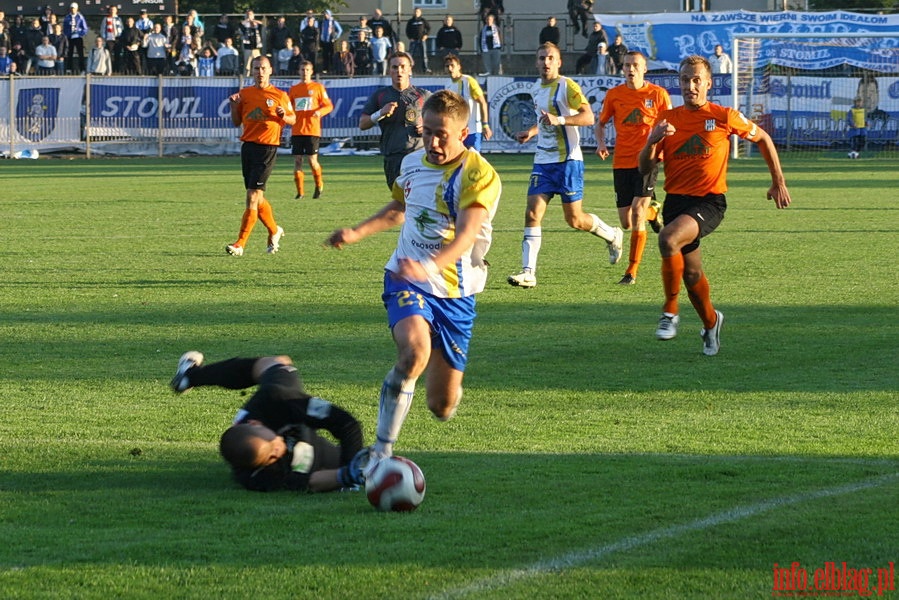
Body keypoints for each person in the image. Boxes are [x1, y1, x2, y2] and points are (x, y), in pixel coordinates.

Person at [326, 89, 502, 469]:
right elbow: (399, 209)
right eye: (428, 132)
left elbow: (467, 236)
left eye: (443, 134)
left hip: (456, 292)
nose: (434, 142)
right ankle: (381, 453)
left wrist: (430, 267)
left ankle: (439, 389)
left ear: (464, 133)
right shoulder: (410, 163)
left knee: (441, 406)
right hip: (406, 277)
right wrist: (356, 232)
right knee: (413, 354)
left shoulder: (478, 174)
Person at [638, 55, 791, 356]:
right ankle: (711, 322)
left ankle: (669, 312)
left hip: (709, 202)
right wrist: (652, 141)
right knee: (692, 275)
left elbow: (763, 139)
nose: (690, 85)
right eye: (685, 79)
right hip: (676, 202)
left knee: (668, 238)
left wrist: (779, 181)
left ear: (708, 83)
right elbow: (644, 167)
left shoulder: (724, 116)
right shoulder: (666, 120)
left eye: (696, 80)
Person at [508, 43, 623, 289]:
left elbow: (588, 117)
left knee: (574, 219)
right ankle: (529, 272)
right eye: (541, 58)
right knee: (532, 213)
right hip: (543, 161)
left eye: (550, 58)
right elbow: (545, 120)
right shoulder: (536, 88)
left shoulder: (566, 86)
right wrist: (532, 131)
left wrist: (559, 119)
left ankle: (613, 235)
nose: (545, 62)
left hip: (569, 160)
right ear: (536, 62)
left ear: (558, 62)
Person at [169, 351, 368, 494]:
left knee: (276, 363)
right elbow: (309, 483)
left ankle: (190, 376)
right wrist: (348, 476)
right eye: (272, 457)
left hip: (281, 406)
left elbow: (346, 424)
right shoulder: (255, 477)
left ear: (257, 424)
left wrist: (352, 461)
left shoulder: (277, 401)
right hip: (322, 460)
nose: (278, 450)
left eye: (273, 443)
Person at [596, 51, 672, 285]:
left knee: (637, 214)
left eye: (635, 65)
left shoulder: (657, 94)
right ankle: (653, 211)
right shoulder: (614, 95)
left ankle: (631, 271)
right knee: (626, 222)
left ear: (644, 69)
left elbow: (669, 124)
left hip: (647, 159)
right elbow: (600, 123)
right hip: (621, 162)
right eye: (627, 65)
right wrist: (600, 143)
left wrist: (666, 152)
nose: (631, 69)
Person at [226, 56, 296, 257]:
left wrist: (284, 115)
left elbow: (293, 119)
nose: (260, 72)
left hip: (267, 148)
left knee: (252, 195)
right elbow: (236, 121)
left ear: (270, 70)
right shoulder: (245, 94)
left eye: (263, 68)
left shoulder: (280, 95)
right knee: (258, 196)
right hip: (248, 147)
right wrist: (233, 107)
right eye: (256, 68)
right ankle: (274, 230)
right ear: (252, 71)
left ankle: (240, 243)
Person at [360, 51, 431, 189]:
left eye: (403, 66)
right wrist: (380, 113)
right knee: (399, 203)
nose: (399, 71)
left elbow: (443, 120)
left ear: (410, 70)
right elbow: (363, 124)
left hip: (419, 156)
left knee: (418, 201)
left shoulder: (424, 96)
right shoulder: (380, 96)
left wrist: (428, 128)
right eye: (394, 67)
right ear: (389, 71)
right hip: (393, 157)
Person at [288, 61, 334, 200]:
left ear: (311, 71)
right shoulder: (294, 89)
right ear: (299, 71)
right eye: (302, 69)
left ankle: (318, 185)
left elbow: (328, 105)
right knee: (297, 161)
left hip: (312, 129)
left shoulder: (318, 87)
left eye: (307, 70)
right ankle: (300, 192)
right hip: (297, 130)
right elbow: (289, 108)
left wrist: (320, 112)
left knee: (312, 161)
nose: (305, 72)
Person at [444, 54, 492, 151]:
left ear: (459, 67)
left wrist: (485, 125)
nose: (450, 68)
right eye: (447, 66)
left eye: (452, 65)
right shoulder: (448, 85)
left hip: (472, 130)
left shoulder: (468, 81)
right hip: (457, 131)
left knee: (473, 159)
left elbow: (482, 102)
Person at [406, 8, 431, 74]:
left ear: (420, 13)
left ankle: (425, 69)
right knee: (410, 55)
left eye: (418, 12)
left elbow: (428, 28)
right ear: (413, 13)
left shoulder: (423, 20)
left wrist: (426, 35)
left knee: (424, 55)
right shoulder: (411, 21)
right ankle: (408, 68)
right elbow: (407, 30)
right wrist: (410, 38)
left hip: (422, 40)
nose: (416, 13)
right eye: (415, 12)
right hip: (413, 40)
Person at [99, 6, 123, 73]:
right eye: (111, 10)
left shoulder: (119, 19)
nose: (112, 11)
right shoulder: (106, 19)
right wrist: (104, 38)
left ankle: (117, 70)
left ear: (116, 11)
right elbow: (102, 29)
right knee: (109, 55)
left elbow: (122, 28)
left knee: (117, 55)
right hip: (109, 39)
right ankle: (110, 69)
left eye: (114, 10)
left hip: (117, 39)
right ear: (109, 11)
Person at [239, 9, 263, 76]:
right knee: (247, 66)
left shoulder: (257, 25)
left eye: (250, 14)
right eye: (248, 14)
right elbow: (240, 24)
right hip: (248, 48)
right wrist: (247, 20)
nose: (249, 16)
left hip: (256, 49)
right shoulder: (245, 26)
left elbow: (262, 24)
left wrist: (253, 20)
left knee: (258, 64)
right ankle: (246, 79)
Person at [318, 9, 342, 74]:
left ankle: (332, 69)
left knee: (332, 55)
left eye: (326, 14)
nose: (325, 15)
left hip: (331, 41)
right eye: (324, 14)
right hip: (324, 41)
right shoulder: (322, 22)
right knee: (324, 56)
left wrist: (335, 37)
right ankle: (325, 69)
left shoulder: (334, 22)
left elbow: (340, 30)